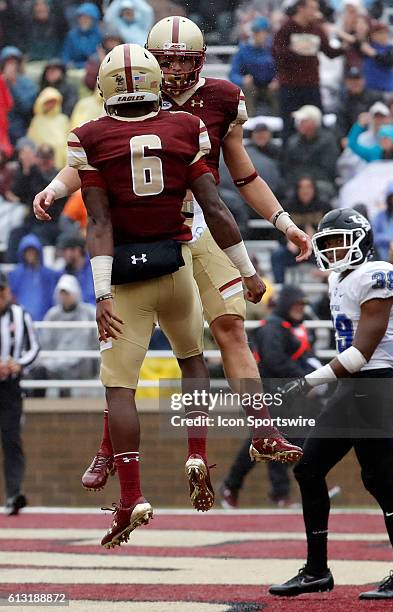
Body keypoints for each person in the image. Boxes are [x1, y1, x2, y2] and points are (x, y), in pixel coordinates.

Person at [33, 17, 310, 491]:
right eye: (168, 59)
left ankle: (263, 429)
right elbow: (95, 156)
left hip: (202, 224)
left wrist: (284, 223)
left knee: (232, 328)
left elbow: (242, 175)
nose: (177, 68)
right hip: (152, 233)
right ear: (149, 61)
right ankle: (108, 449)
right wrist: (57, 186)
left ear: (201, 61)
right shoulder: (137, 92)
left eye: (186, 59)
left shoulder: (221, 98)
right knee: (128, 355)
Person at [68, 43, 271, 548]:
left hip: (125, 276)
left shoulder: (90, 138)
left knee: (120, 389)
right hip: (176, 264)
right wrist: (246, 272)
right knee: (193, 358)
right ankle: (197, 451)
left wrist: (101, 295)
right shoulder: (186, 128)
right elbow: (217, 209)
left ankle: (131, 494)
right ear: (157, 80)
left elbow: (98, 222)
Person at [269, 208, 393, 600]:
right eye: (326, 243)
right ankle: (316, 571)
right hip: (352, 390)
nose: (332, 250)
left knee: (380, 482)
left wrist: (305, 382)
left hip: (373, 387)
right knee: (309, 470)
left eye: (338, 241)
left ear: (361, 240)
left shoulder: (379, 274)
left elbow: (361, 353)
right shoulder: (339, 279)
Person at [221, 286, 320, 509]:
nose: (300, 309)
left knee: (285, 442)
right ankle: (275, 493)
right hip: (268, 395)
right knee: (273, 443)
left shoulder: (288, 328)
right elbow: (275, 362)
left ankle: (236, 486)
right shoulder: (273, 328)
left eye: (303, 306)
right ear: (285, 304)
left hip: (282, 396)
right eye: (296, 304)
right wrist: (305, 379)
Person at [273, 0, 345, 140]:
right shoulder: (286, 28)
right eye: (312, 8)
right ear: (301, 8)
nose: (315, 12)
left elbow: (329, 52)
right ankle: (289, 158)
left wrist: (345, 47)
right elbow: (276, 53)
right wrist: (294, 51)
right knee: (289, 124)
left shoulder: (316, 29)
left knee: (319, 121)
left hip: (311, 84)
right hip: (290, 85)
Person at [0, 272, 40, 515]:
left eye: (2, 291)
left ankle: (14, 494)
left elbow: (34, 347)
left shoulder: (20, 314)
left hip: (10, 387)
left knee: (11, 439)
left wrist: (19, 363)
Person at [27, 274, 97, 396]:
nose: (65, 297)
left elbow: (94, 343)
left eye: (68, 293)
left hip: (82, 364)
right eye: (62, 293)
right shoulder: (52, 315)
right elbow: (45, 343)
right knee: (37, 371)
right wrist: (54, 360)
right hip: (55, 363)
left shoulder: (89, 313)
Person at [283, 105, 339, 197]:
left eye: (303, 121)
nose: (299, 124)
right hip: (297, 182)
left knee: (321, 191)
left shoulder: (328, 140)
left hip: (321, 182)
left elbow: (329, 168)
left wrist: (308, 182)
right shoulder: (293, 142)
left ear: (314, 123)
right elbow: (288, 167)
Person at [229, 15, 278, 117]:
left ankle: (278, 121)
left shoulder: (274, 49)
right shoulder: (244, 49)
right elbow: (233, 73)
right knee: (246, 90)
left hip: (270, 87)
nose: (257, 35)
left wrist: (277, 80)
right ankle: (248, 122)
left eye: (259, 32)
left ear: (266, 33)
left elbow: (282, 69)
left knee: (279, 90)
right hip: (252, 86)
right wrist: (242, 80)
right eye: (255, 32)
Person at [9, 234, 61, 321]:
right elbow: (12, 296)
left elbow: (53, 296)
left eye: (33, 251)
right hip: (21, 319)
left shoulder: (49, 274)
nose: (30, 254)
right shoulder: (15, 274)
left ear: (38, 252)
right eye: (27, 251)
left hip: (45, 320)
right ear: (23, 253)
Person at [0, 46, 38, 144]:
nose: (10, 67)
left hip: (20, 130)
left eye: (13, 63)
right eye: (7, 63)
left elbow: (27, 109)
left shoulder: (27, 83)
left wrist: (12, 85)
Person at [27, 87, 70, 170]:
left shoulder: (63, 119)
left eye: (53, 102)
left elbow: (69, 140)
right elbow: (31, 141)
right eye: (48, 102)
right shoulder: (37, 120)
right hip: (40, 163)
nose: (51, 104)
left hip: (59, 164)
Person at [56, 234, 94, 305]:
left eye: (65, 250)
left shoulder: (94, 267)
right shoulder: (64, 272)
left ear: (77, 250)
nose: (62, 254)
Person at [61, 2, 102, 68]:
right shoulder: (72, 35)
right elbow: (65, 54)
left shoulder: (100, 35)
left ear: (94, 19)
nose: (83, 21)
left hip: (92, 71)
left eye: (86, 18)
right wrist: (66, 63)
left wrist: (79, 65)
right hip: (72, 70)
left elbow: (97, 58)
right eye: (81, 18)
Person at [361, 20, 393, 94]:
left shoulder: (390, 48)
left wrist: (374, 54)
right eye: (380, 33)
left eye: (385, 32)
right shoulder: (366, 46)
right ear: (372, 35)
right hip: (368, 89)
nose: (384, 35)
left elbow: (389, 62)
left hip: (386, 89)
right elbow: (355, 41)